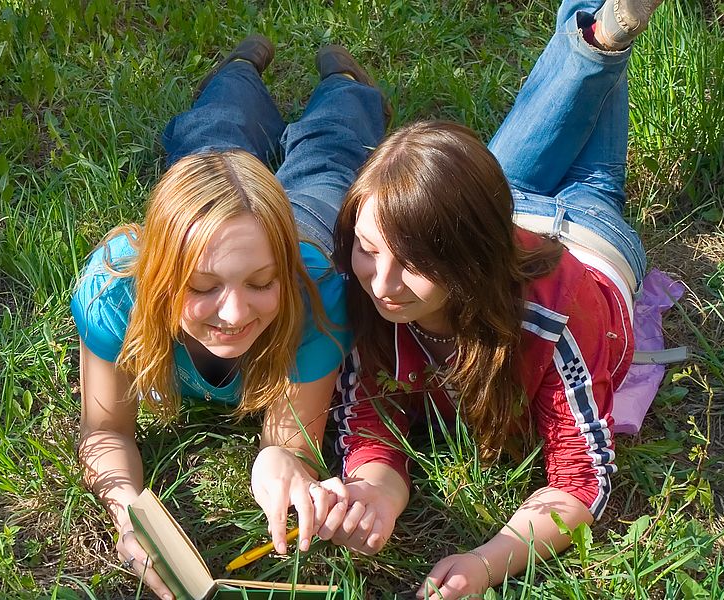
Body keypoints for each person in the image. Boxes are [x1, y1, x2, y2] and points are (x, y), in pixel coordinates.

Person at [329, 0, 664, 597]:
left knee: (591, 180)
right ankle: (603, 33)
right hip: (489, 209)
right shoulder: (373, 282)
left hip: (589, 242)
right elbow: (368, 417)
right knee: (482, 161)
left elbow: (581, 476)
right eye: (367, 248)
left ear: (469, 257)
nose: (380, 285)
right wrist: (374, 490)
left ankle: (600, 31)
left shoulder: (552, 320)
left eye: (411, 266)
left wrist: (491, 557)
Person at [71, 36, 388, 600]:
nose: (235, 313)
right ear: (164, 274)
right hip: (223, 220)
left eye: (261, 284)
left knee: (329, 160)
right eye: (202, 286)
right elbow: (104, 431)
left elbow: (290, 443)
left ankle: (346, 89)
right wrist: (129, 517)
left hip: (303, 226)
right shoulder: (113, 295)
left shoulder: (314, 297)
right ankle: (238, 71)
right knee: (208, 138)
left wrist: (283, 462)